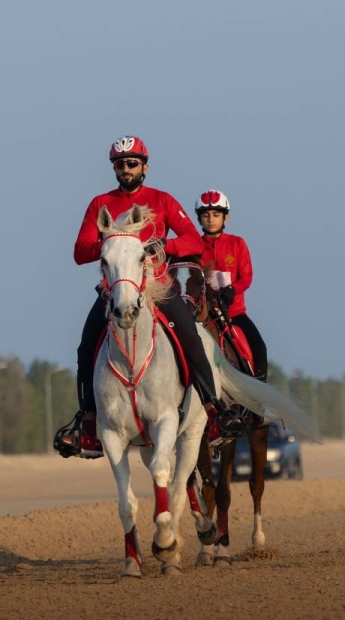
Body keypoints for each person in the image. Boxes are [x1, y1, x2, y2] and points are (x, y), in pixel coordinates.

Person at [56, 136, 243, 458]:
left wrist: (163, 246)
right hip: (113, 294)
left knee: (191, 337)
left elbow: (193, 243)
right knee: (86, 347)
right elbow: (79, 252)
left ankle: (214, 412)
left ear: (145, 166)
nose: (126, 169)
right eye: (119, 164)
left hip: (157, 289)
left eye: (132, 163)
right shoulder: (100, 204)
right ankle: (87, 422)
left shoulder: (163, 200)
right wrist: (110, 243)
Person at [194, 190, 268, 381]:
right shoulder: (193, 247)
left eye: (216, 215)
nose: (211, 220)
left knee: (259, 348)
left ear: (226, 217)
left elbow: (246, 277)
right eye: (206, 215)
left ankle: (259, 398)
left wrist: (232, 290)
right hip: (204, 316)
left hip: (234, 313)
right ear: (199, 219)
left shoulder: (237, 243)